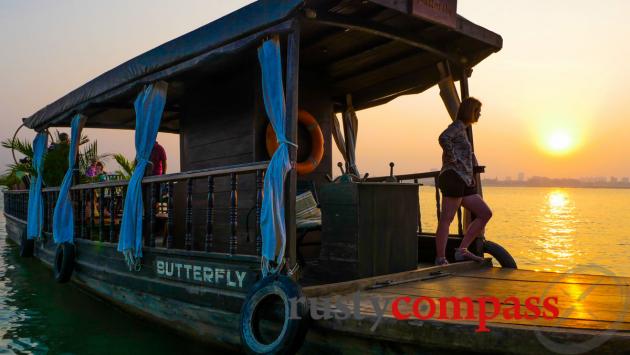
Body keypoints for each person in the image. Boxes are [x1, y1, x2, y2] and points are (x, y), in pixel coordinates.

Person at [435, 97, 492, 265]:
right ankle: (440, 258)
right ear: (470, 111)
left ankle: (462, 250)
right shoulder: (457, 126)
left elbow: (465, 156)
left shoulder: (464, 130)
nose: (480, 114)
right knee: (447, 218)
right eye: (478, 111)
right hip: (452, 176)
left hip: (463, 180)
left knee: (485, 213)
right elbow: (443, 138)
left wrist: (470, 177)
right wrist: (452, 159)